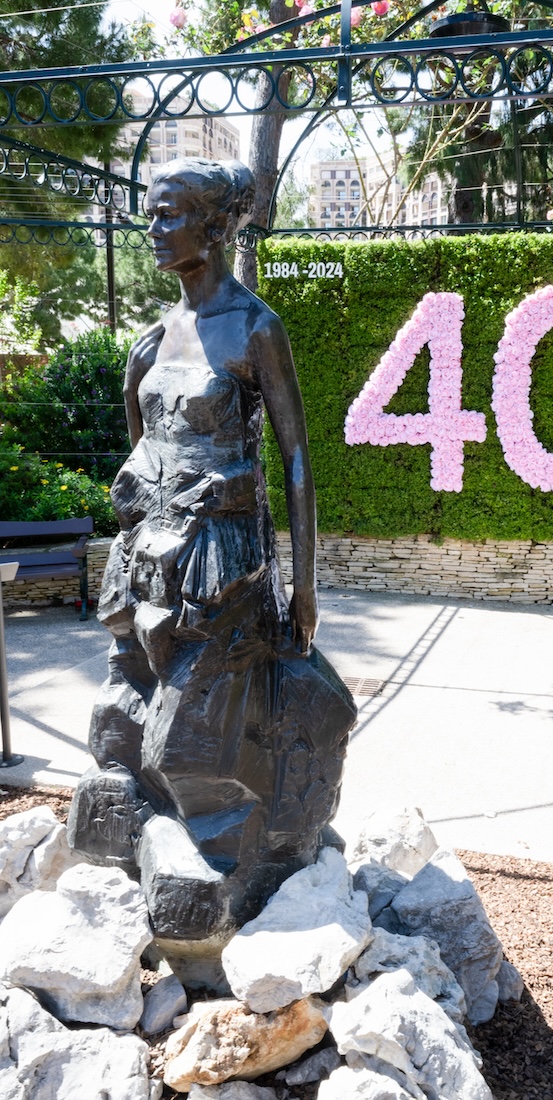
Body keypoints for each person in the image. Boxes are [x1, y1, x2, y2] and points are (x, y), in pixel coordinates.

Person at [69, 160, 355, 962]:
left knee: (191, 743)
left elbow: (294, 460)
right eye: (150, 215)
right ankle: (140, 838)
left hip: (222, 567)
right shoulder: (151, 340)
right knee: (122, 723)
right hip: (147, 562)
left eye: (169, 215)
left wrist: (303, 586)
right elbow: (140, 452)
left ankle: (226, 872)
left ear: (215, 224)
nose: (153, 230)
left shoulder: (255, 327)